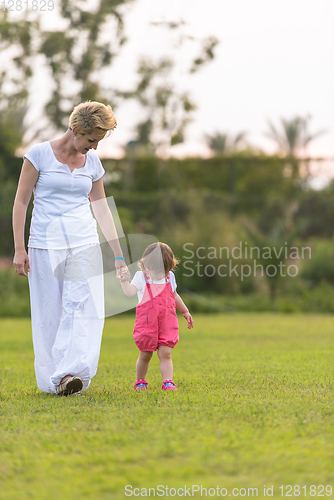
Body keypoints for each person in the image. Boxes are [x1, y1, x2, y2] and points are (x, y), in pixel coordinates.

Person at [12, 101, 128, 396]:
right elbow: (21, 202)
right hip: (45, 246)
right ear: (75, 130)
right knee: (50, 314)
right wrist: (19, 248)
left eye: (98, 142)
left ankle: (71, 373)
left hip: (84, 243)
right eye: (91, 141)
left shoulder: (92, 163)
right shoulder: (38, 155)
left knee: (83, 310)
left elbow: (101, 209)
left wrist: (117, 254)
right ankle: (57, 377)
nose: (94, 148)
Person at [120, 242, 194, 391]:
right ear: (146, 266)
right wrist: (123, 281)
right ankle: (140, 381)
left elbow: (174, 295)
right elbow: (129, 292)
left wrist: (185, 311)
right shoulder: (141, 277)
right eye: (157, 272)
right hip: (147, 323)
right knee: (145, 354)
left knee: (165, 353)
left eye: (164, 271)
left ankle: (168, 381)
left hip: (167, 321)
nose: (161, 275)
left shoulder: (170, 277)